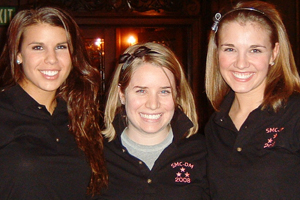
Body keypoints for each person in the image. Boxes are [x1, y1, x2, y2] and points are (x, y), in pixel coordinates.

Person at [0, 6, 107, 199]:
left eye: (61, 47)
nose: (52, 59)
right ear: (18, 54)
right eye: (38, 47)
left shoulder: (77, 116)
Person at [205, 0, 300, 199]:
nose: (241, 63)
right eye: (230, 49)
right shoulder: (214, 127)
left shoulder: (294, 114)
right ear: (217, 52)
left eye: (255, 50)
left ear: (274, 53)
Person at [97, 42, 209, 199]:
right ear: (122, 94)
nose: (153, 104)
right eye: (141, 91)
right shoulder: (95, 155)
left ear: (177, 94)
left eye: (164, 91)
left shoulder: (203, 152)